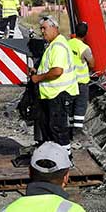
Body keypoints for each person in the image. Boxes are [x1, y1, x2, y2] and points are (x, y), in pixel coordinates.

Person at [30, 15, 78, 154]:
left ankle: (65, 158)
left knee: (58, 129)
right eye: (41, 29)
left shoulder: (58, 46)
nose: (42, 32)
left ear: (54, 28)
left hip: (59, 94)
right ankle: (55, 156)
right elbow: (50, 67)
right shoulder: (54, 45)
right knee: (52, 128)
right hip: (54, 94)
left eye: (44, 28)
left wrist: (38, 78)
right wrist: (37, 70)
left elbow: (57, 71)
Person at [65, 21, 94, 136]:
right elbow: (92, 64)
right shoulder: (84, 48)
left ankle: (70, 128)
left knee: (71, 105)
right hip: (81, 82)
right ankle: (77, 131)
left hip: (69, 81)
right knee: (80, 105)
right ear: (85, 34)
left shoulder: (67, 44)